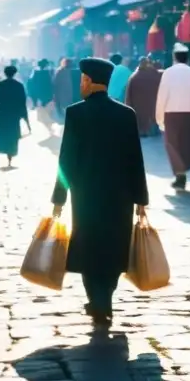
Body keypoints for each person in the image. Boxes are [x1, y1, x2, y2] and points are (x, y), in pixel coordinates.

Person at [51, 58, 149, 326]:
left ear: (87, 81)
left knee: (89, 246)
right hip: (120, 196)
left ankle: (97, 300)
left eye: (81, 79)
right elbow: (135, 159)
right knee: (115, 246)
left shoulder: (75, 113)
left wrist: (59, 197)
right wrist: (141, 199)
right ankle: (104, 297)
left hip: (86, 195)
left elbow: (66, 159)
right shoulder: (126, 114)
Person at [155, 43, 190, 190]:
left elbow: (162, 97)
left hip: (171, 115)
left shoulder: (167, 73)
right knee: (187, 144)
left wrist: (159, 118)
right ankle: (183, 172)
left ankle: (180, 174)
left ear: (174, 58)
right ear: (187, 58)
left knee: (173, 145)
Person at [0, 66, 30, 168]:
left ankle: (6, 153)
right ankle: (10, 156)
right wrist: (25, 117)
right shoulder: (19, 86)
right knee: (13, 135)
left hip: (3, 113)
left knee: (3, 134)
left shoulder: (0, 85)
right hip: (14, 114)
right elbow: (22, 102)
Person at [125, 57, 162, 137]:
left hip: (138, 109)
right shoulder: (157, 75)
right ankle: (152, 131)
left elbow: (128, 96)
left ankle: (142, 131)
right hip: (153, 108)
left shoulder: (133, 77)